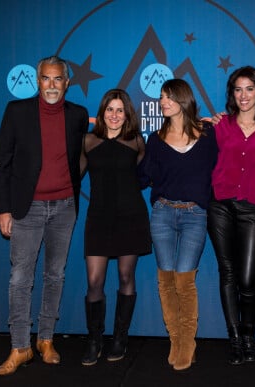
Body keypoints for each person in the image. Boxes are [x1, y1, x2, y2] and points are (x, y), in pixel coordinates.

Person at [0, 56, 89, 376]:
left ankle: (46, 339)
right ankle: (20, 346)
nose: (51, 85)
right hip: (26, 208)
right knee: (20, 278)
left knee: (55, 276)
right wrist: (3, 208)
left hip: (64, 207)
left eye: (58, 79)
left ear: (67, 82)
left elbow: (79, 158)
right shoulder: (16, 111)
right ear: (37, 81)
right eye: (46, 79)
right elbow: (2, 163)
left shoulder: (78, 115)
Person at [139, 79, 218, 371]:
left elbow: (229, 160)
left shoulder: (209, 134)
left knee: (185, 280)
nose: (163, 102)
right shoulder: (155, 139)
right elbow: (142, 177)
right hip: (162, 214)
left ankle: (188, 342)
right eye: (161, 97)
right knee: (166, 280)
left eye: (168, 96)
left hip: (195, 215)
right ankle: (176, 340)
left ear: (183, 99)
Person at [206, 66, 255, 365]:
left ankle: (250, 334)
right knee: (228, 273)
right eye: (238, 89)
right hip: (220, 205)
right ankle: (234, 337)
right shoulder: (220, 125)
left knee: (247, 278)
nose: (244, 95)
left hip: (253, 208)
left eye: (249, 89)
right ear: (232, 94)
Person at [79, 89, 151, 366]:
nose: (115, 115)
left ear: (127, 114)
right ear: (102, 113)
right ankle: (95, 340)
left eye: (120, 110)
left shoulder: (136, 142)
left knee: (125, 278)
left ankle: (120, 338)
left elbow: (146, 175)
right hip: (98, 218)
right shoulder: (88, 141)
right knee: (94, 282)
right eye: (110, 109)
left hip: (131, 217)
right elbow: (73, 178)